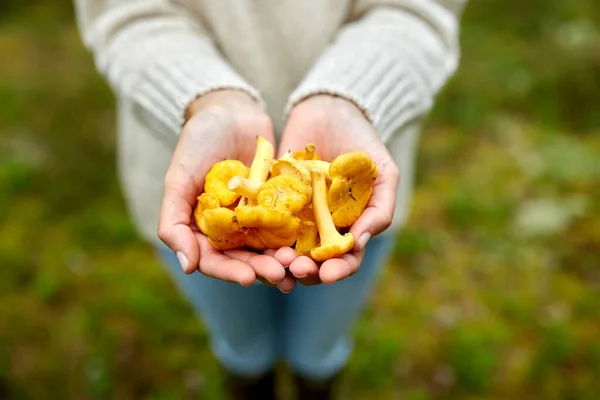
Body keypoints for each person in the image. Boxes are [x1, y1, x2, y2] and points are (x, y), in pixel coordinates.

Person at [75, 0, 466, 398]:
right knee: (244, 345)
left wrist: (347, 96)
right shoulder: (231, 197)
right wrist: (208, 100)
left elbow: (420, 11)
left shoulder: (325, 189)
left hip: (362, 181)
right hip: (187, 175)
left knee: (319, 346)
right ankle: (250, 380)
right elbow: (125, 14)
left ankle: (316, 381)